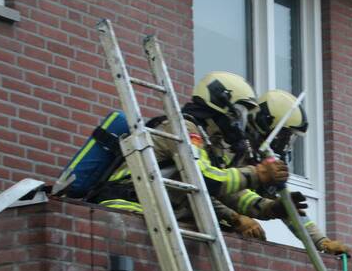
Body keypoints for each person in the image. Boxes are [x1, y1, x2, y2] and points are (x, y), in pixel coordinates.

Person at [97, 71, 288, 238]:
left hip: (156, 214)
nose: (240, 122)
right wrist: (258, 173)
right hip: (127, 208)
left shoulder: (211, 143)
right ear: (220, 103)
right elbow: (204, 179)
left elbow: (229, 192)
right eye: (238, 113)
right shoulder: (183, 129)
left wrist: (269, 208)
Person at [227, 87, 351, 255]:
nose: (286, 145)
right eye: (285, 135)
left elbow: (288, 208)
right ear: (266, 125)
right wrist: (234, 217)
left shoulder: (264, 161)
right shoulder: (232, 149)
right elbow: (211, 187)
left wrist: (322, 242)